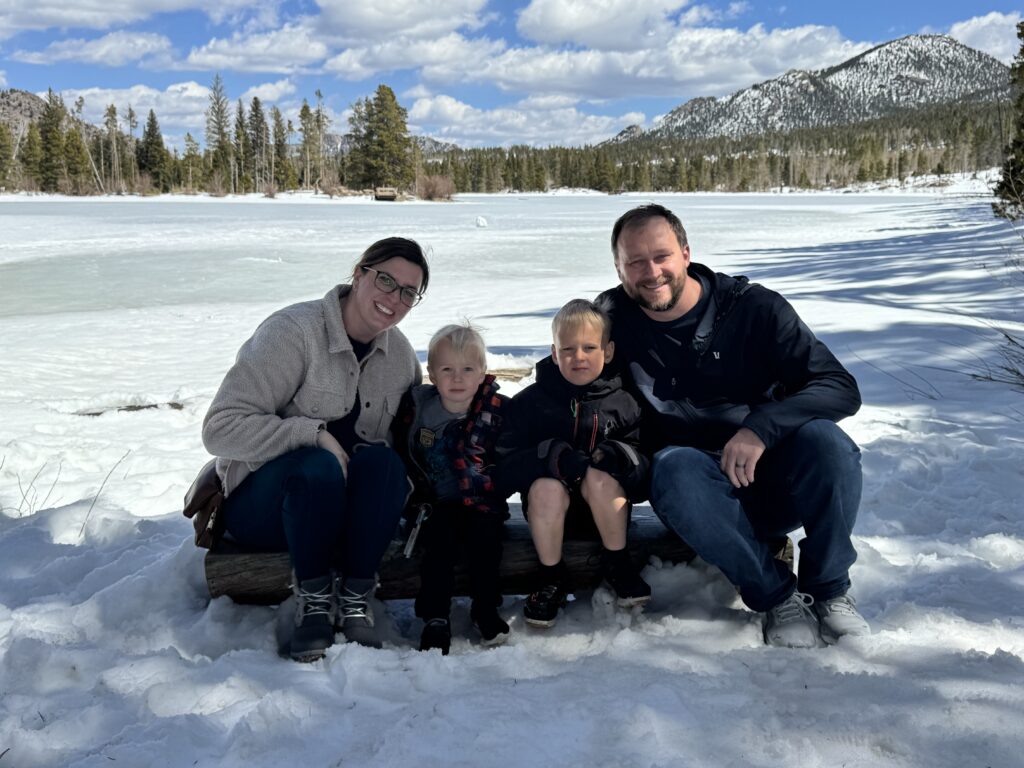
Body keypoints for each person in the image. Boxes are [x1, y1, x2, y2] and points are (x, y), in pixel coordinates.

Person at [597, 203, 868, 648]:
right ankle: (777, 596)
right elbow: (570, 376)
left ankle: (830, 588)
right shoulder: (613, 317)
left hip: (772, 479)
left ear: (686, 253)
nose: (651, 271)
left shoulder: (753, 309)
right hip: (693, 498)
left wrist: (761, 428)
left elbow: (839, 386)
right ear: (619, 268)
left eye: (661, 255)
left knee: (829, 443)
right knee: (675, 466)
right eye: (635, 262)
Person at [202, 237, 428, 662]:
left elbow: (409, 441)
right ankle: (314, 603)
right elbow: (220, 428)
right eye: (385, 280)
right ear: (359, 273)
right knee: (317, 466)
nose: (393, 298)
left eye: (407, 292)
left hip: (343, 517)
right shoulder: (294, 332)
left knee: (384, 463)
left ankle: (358, 596)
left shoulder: (399, 355)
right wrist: (311, 434)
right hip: (268, 509)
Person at [500, 299, 651, 628]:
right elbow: (504, 466)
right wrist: (550, 458)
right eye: (568, 349)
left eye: (588, 347)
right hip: (549, 518)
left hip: (606, 516)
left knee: (600, 476)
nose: (578, 357)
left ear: (607, 351)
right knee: (544, 487)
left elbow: (643, 469)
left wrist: (619, 456)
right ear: (554, 353)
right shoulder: (531, 403)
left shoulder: (625, 403)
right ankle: (551, 576)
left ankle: (617, 563)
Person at [393, 323, 510, 655]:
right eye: (447, 369)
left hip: (481, 502)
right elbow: (401, 448)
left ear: (482, 372)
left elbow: (512, 455)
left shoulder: (496, 410)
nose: (457, 378)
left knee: (486, 546)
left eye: (467, 369)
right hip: (434, 504)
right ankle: (435, 617)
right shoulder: (419, 408)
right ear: (431, 372)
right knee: (438, 548)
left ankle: (485, 608)